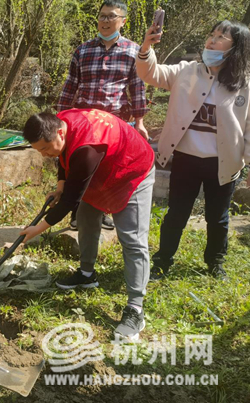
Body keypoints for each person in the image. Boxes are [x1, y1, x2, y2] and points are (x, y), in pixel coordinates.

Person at [21, 109, 155, 339]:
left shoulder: (87, 149)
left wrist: (38, 229)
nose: (43, 155)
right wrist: (61, 185)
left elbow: (70, 200)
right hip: (102, 169)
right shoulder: (60, 123)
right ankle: (86, 274)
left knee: (132, 239)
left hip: (131, 170)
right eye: (38, 150)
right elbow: (64, 157)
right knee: (85, 217)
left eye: (44, 148)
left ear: (60, 133)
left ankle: (136, 308)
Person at [137, 20, 250, 281]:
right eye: (211, 34)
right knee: (176, 213)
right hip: (186, 158)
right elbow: (150, 73)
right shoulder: (186, 71)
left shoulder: (245, 83)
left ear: (237, 48)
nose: (211, 41)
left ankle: (215, 262)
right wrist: (146, 46)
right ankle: (162, 261)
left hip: (223, 162)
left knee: (218, 218)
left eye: (221, 37)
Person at [56, 0, 150, 231]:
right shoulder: (83, 50)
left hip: (115, 122)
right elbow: (71, 84)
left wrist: (139, 122)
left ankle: (102, 210)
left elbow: (137, 88)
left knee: (108, 169)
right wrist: (59, 116)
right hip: (83, 120)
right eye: (102, 16)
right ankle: (76, 212)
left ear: (123, 21)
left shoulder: (133, 51)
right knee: (78, 166)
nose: (105, 21)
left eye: (111, 16)